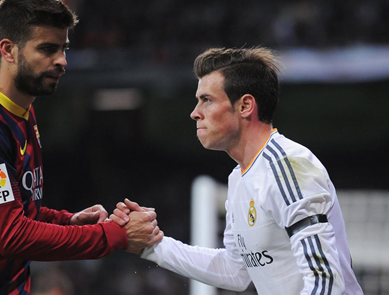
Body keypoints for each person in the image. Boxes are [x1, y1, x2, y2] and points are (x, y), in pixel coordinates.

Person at [0, 0, 162, 294]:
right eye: (47, 49)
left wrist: (69, 221)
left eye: (63, 49)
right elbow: (12, 235)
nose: (62, 61)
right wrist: (115, 236)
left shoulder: (22, 113)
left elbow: (18, 210)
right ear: (8, 50)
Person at [112, 47, 363, 294]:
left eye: (207, 100)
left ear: (245, 106)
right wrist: (151, 246)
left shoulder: (288, 166)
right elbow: (236, 271)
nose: (194, 113)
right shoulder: (240, 178)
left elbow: (326, 280)